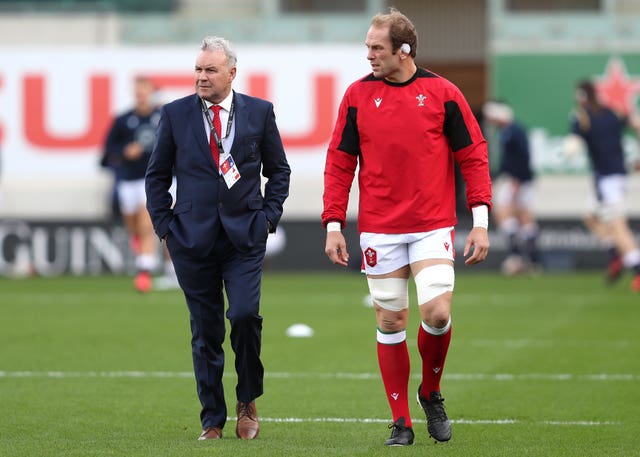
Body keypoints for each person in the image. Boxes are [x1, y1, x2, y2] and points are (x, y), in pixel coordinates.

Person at [322, 9, 492, 446]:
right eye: (367, 47)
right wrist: (334, 224)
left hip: (432, 223)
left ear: (404, 50)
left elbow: (473, 155)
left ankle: (430, 391)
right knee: (392, 318)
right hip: (380, 228)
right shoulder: (357, 96)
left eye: (377, 48)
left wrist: (481, 222)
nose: (369, 56)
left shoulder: (443, 93)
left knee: (437, 312)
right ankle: (401, 421)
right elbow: (340, 162)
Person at [145, 36, 290, 441]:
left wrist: (268, 217)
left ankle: (248, 401)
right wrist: (166, 229)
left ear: (231, 73)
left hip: (244, 237)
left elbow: (279, 172)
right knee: (205, 330)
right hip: (191, 240)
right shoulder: (175, 115)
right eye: (198, 69)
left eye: (210, 70)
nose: (202, 77)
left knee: (244, 316)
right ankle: (212, 418)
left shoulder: (259, 113)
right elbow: (156, 176)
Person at [566, 79, 640, 291]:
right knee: (590, 215)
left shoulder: (582, 117)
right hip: (611, 178)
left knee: (618, 226)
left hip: (609, 180)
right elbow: (637, 125)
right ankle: (615, 254)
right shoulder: (613, 112)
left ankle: (636, 268)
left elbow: (572, 144)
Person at [102, 76, 174, 292]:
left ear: (151, 94)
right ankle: (144, 255)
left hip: (153, 180)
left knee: (146, 222)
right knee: (133, 227)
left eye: (145, 92)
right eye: (138, 92)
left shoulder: (163, 118)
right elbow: (107, 153)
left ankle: (145, 271)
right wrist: (124, 152)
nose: (141, 96)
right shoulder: (123, 120)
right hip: (128, 181)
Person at [482, 100, 541, 275]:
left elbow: (522, 156)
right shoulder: (510, 130)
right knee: (522, 217)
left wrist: (516, 180)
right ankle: (531, 259)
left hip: (518, 179)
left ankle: (518, 257)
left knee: (506, 213)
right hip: (518, 178)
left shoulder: (513, 131)